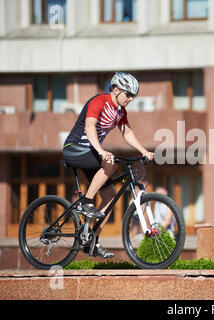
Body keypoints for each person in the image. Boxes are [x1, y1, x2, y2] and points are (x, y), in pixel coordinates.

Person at [62, 72, 154, 258]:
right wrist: (102, 151)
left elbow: (127, 133)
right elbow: (89, 127)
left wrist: (143, 151)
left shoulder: (120, 111)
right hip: (74, 149)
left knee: (110, 196)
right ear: (116, 89)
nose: (130, 99)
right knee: (110, 163)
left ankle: (91, 240)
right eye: (128, 94)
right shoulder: (99, 101)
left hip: (92, 153)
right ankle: (86, 203)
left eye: (133, 96)